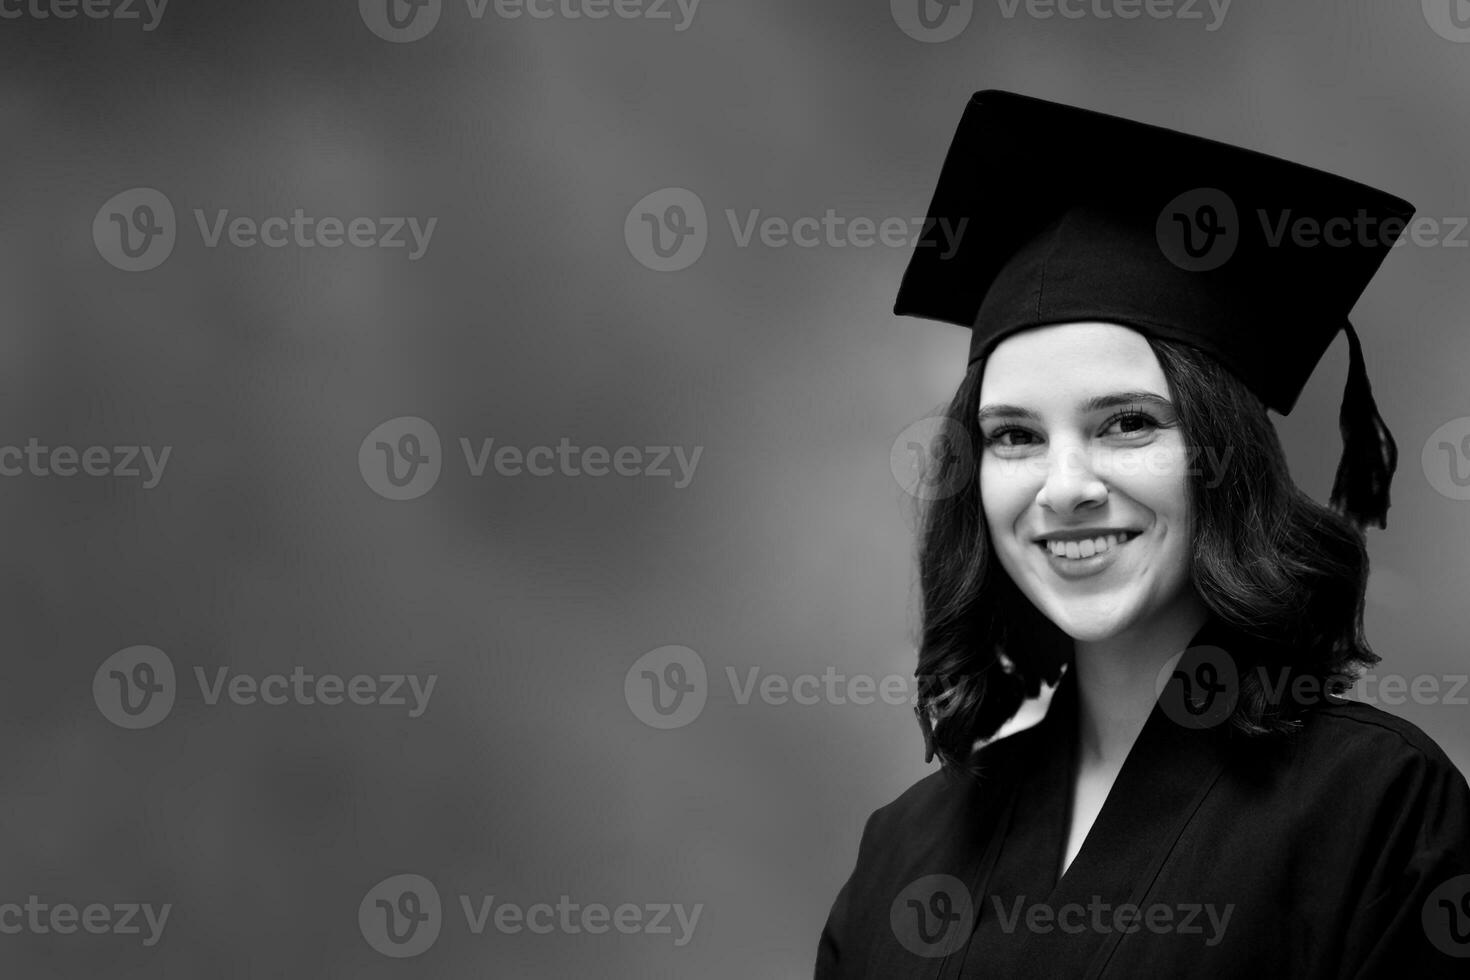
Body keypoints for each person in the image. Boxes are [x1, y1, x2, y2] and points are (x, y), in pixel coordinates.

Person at [814, 90, 1470, 979]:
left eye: (1127, 423)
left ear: (1222, 456)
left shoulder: (1376, 807)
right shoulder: (903, 851)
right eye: (1015, 436)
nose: (1067, 487)